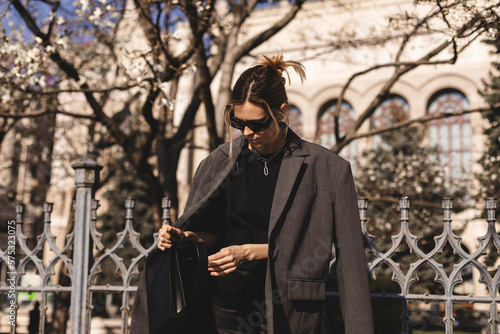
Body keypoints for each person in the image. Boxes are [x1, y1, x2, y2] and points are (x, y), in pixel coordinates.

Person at [157, 54, 374, 334]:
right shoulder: (219, 162)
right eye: (239, 123)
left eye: (258, 124)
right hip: (222, 312)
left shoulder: (329, 169)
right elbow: (211, 232)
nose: (247, 132)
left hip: (289, 313)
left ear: (282, 111)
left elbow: (346, 262)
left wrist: (253, 252)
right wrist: (185, 238)